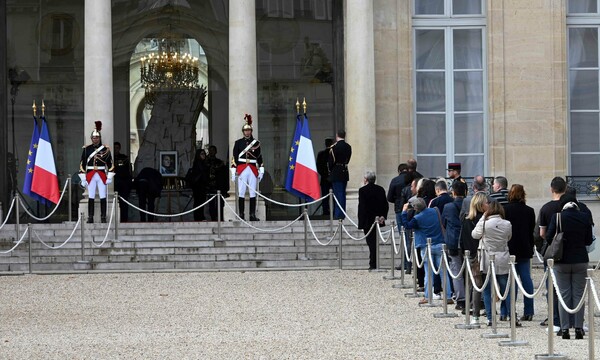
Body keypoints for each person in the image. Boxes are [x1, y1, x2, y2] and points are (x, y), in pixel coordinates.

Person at [546, 193, 593, 339]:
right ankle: (579, 328)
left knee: (563, 295)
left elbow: (548, 237)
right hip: (580, 260)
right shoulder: (584, 217)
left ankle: (565, 329)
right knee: (579, 295)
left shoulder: (557, 217)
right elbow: (588, 240)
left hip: (561, 260)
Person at [401, 197, 452, 305]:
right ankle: (448, 296)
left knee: (428, 273)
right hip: (439, 243)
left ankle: (428, 296)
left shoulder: (418, 218)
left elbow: (407, 225)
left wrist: (404, 212)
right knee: (444, 272)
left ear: (415, 208)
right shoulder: (434, 211)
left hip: (426, 246)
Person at [472, 199, 514, 327]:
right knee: (505, 289)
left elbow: (475, 234)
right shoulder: (507, 224)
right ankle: (512, 315)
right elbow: (509, 238)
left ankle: (490, 317)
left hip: (487, 258)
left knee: (488, 290)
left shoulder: (485, 223)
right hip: (503, 257)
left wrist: (482, 218)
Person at [537, 176, 567, 330]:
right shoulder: (573, 206)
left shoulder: (546, 208)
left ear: (552, 189)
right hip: (569, 249)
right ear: (565, 189)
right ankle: (569, 319)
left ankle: (555, 319)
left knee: (552, 287)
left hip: (552, 250)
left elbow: (542, 233)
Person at [503, 184, 535, 322]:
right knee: (526, 279)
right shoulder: (529, 210)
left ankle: (508, 311)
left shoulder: (505, 209)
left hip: (510, 248)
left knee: (510, 281)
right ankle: (529, 311)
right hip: (524, 247)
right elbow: (530, 231)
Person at [459, 192, 487, 324]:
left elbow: (463, 239)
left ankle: (471, 307)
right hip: (480, 253)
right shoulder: (483, 219)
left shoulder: (466, 219)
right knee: (480, 284)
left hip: (469, 253)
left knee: (473, 284)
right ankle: (479, 310)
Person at [79, 121, 114, 223]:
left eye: (97, 138)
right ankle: (90, 217)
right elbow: (82, 163)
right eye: (94, 138)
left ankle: (103, 217)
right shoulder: (86, 149)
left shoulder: (105, 149)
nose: (95, 139)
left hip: (102, 174)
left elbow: (110, 164)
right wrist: (83, 178)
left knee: (103, 195)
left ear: (99, 138)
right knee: (91, 196)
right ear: (91, 139)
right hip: (90, 174)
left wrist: (110, 177)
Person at [231, 114, 264, 221]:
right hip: (242, 168)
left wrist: (261, 169)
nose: (247, 132)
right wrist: (233, 170)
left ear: (251, 131)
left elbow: (259, 157)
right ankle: (241, 214)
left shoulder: (256, 143)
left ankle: (252, 215)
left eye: (249, 130)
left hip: (253, 168)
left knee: (253, 192)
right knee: (241, 192)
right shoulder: (238, 143)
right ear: (243, 132)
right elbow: (234, 157)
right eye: (245, 130)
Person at [441, 181, 467, 310]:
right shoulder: (469, 204)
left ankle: (461, 298)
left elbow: (444, 223)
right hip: (468, 241)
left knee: (456, 270)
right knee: (470, 270)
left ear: (454, 192)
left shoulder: (448, 207)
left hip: (453, 241)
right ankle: (471, 296)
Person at [358, 170, 389, 270]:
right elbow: (385, 204)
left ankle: (373, 263)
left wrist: (361, 222)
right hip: (378, 218)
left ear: (366, 179)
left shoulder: (362, 190)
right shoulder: (380, 189)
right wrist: (383, 216)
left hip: (368, 220)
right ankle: (373, 262)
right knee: (373, 242)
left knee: (371, 242)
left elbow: (362, 207)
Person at [328, 129, 352, 220]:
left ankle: (339, 214)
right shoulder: (348, 147)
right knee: (342, 193)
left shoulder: (334, 147)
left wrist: (331, 171)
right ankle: (342, 212)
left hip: (336, 172)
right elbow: (348, 160)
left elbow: (331, 162)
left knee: (338, 194)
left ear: (337, 135)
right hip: (344, 171)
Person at [205, 145, 229, 221]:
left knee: (220, 204)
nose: (211, 152)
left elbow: (223, 175)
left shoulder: (220, 162)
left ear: (216, 151)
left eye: (213, 150)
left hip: (219, 186)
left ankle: (221, 217)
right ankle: (213, 218)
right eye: (210, 150)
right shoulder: (206, 162)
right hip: (210, 187)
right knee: (211, 204)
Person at [113, 141, 132, 222]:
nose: (116, 149)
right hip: (114, 184)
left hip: (124, 184)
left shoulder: (124, 158)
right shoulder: (109, 158)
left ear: (119, 148)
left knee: (124, 203)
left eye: (117, 148)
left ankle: (124, 219)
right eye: (114, 148)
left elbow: (128, 171)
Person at [316, 138, 334, 215]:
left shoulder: (321, 154)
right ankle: (331, 211)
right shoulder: (333, 154)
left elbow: (318, 167)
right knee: (332, 197)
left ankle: (325, 211)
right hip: (331, 179)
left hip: (325, 178)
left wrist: (324, 175)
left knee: (325, 196)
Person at [190, 149, 208, 221]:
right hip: (198, 186)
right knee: (198, 202)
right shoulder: (198, 163)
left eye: (204, 154)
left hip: (201, 186)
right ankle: (199, 217)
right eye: (201, 154)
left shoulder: (203, 163)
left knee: (201, 202)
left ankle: (200, 216)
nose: (203, 155)